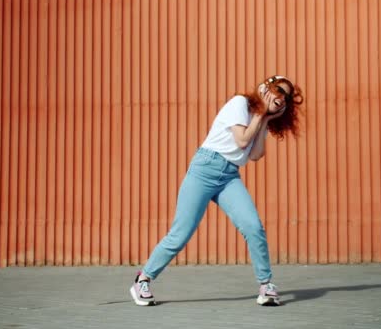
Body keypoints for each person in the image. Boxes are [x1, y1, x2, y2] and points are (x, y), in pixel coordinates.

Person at [130, 75, 304, 306]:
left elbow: (254, 155)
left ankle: (266, 285)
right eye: (278, 91)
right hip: (204, 169)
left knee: (253, 227)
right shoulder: (239, 104)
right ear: (264, 88)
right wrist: (261, 115)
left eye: (287, 97)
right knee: (180, 234)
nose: (281, 98)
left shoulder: (259, 117)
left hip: (229, 176)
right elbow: (242, 141)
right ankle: (143, 279)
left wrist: (265, 120)